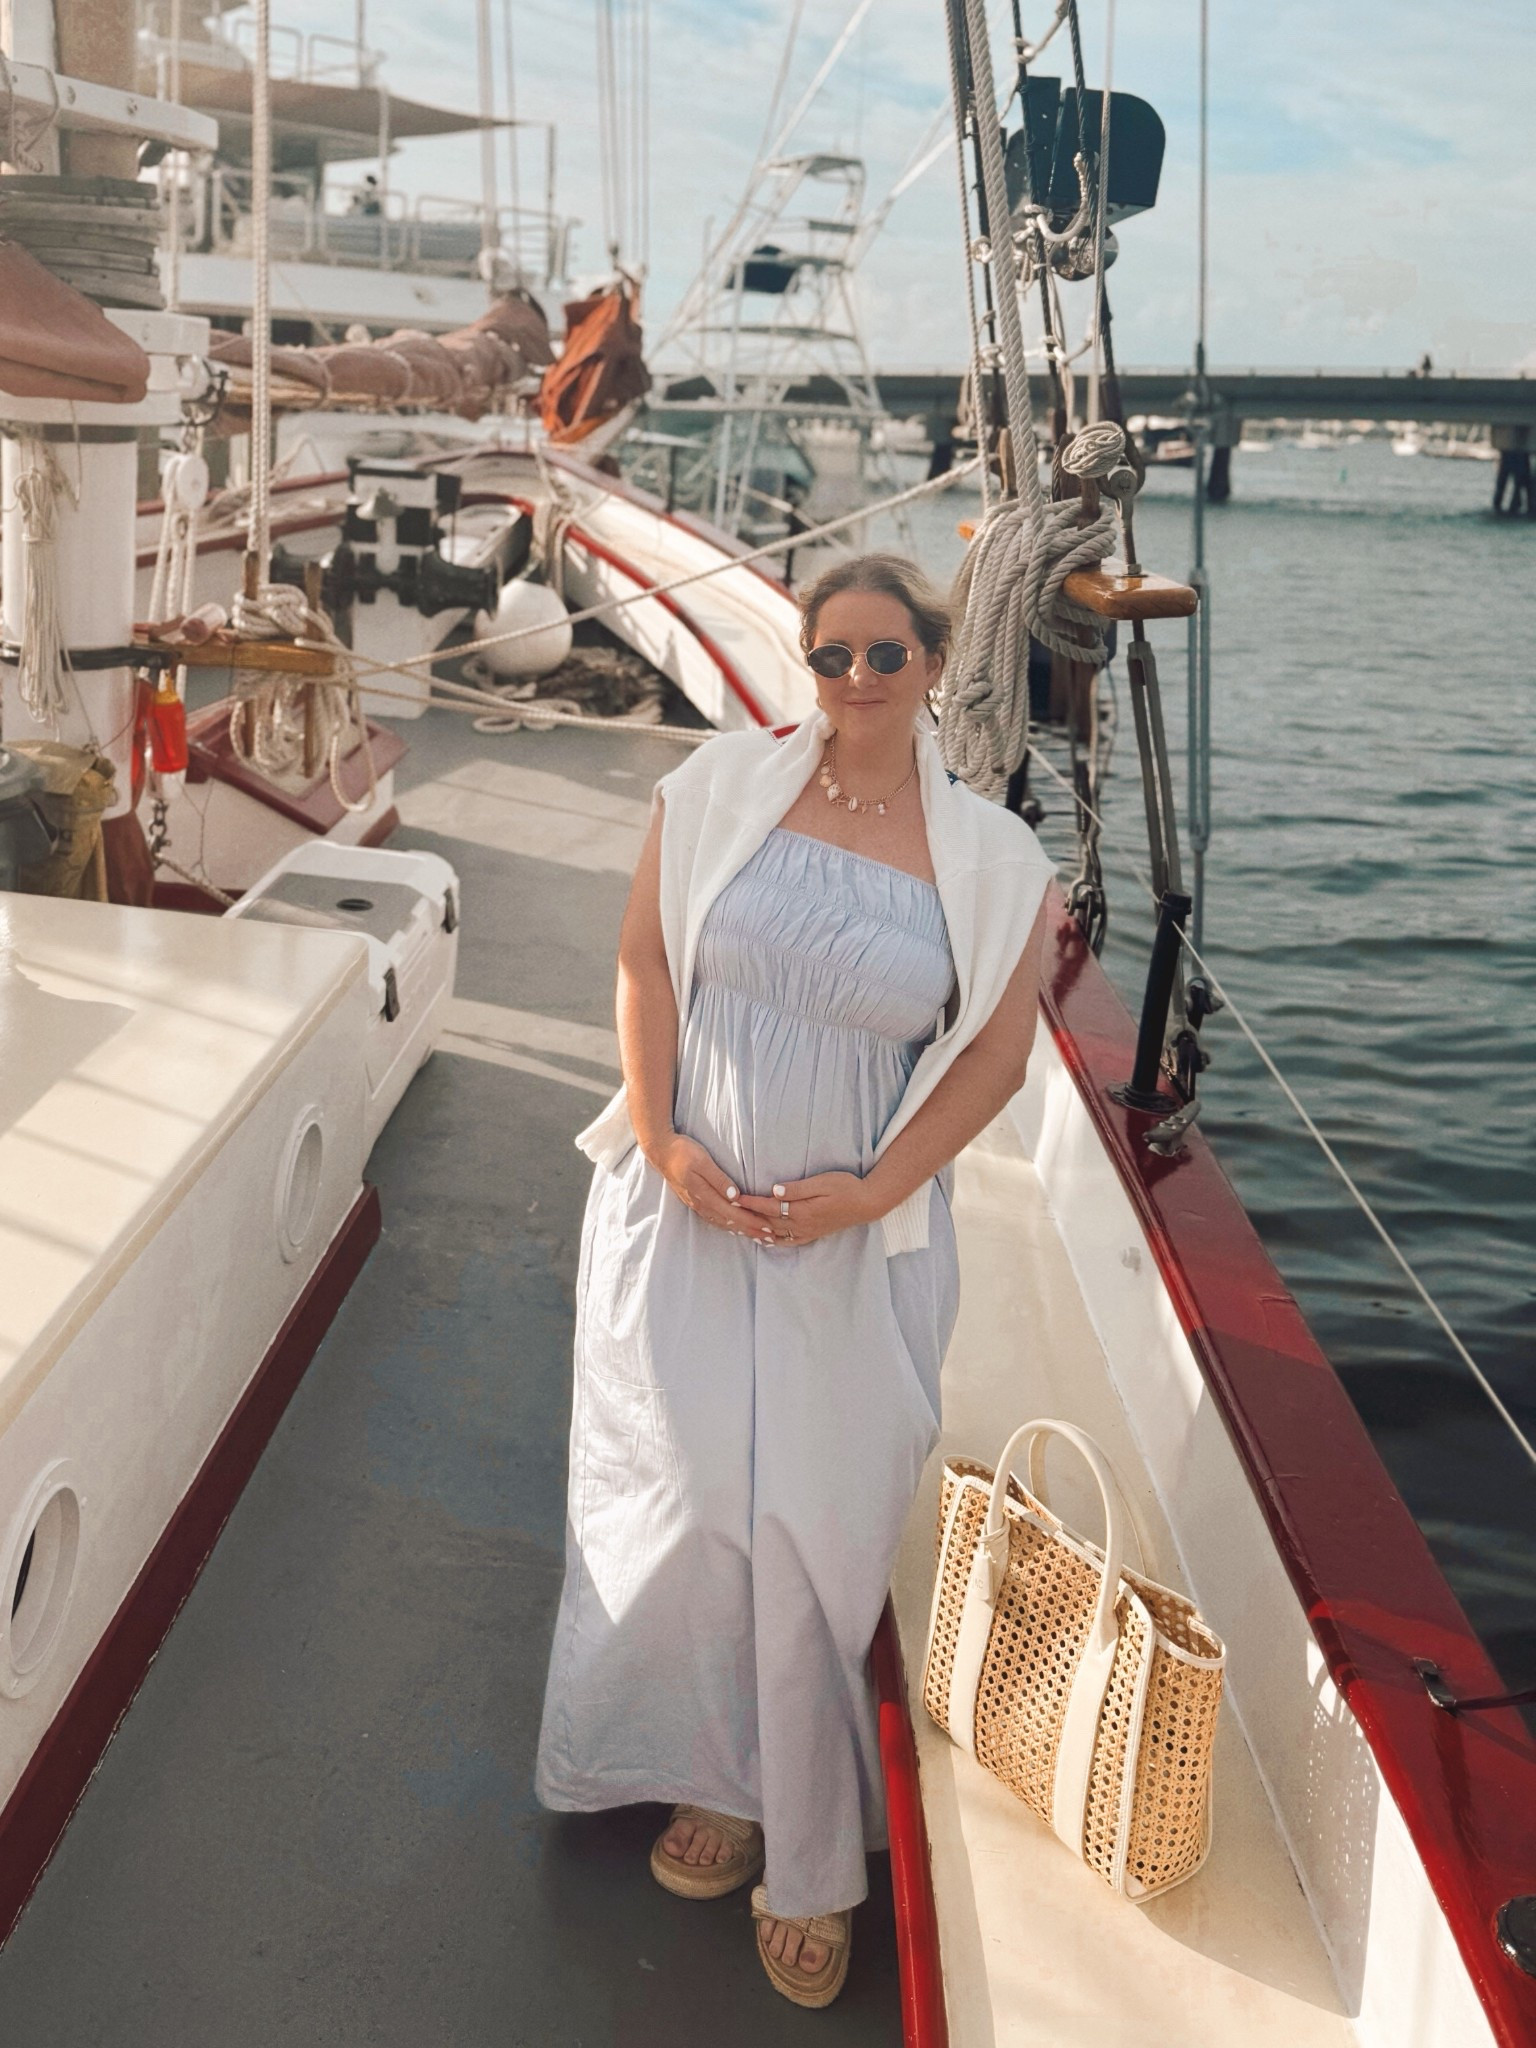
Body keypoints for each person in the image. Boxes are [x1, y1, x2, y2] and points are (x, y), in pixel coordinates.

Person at [535, 553, 1054, 2007]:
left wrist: (875, 1191)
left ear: (934, 664)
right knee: (693, 1507)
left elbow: (1000, 1056)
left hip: (851, 1243)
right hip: (689, 1208)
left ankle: (812, 1846)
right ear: (807, 661)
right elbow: (644, 961)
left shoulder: (997, 862)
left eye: (888, 658)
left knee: (817, 1533)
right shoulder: (713, 791)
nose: (858, 684)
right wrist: (661, 1137)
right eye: (833, 657)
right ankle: (720, 1782)